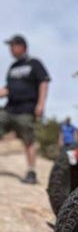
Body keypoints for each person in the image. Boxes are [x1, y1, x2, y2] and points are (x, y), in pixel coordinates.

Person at [0, 35, 50, 184]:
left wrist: (40, 104)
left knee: (28, 139)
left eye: (13, 45)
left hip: (27, 108)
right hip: (10, 108)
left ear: (23, 47)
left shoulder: (34, 63)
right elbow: (8, 89)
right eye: (10, 46)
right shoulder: (12, 67)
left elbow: (44, 82)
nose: (11, 49)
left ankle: (31, 172)